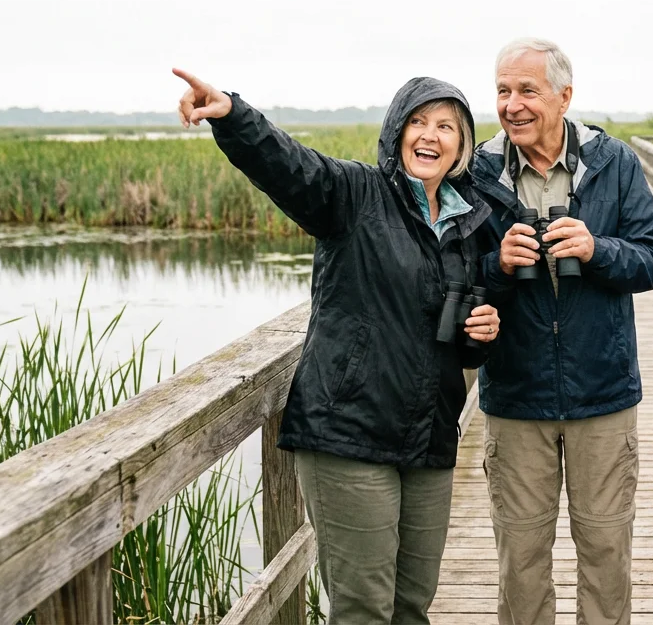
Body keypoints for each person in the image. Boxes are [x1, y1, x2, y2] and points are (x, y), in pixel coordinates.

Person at [173, 69, 501, 623]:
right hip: (349, 433)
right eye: (418, 121)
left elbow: (457, 346)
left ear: (462, 145)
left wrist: (480, 333)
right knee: (362, 609)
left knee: (412, 605)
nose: (431, 135)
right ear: (396, 132)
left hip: (430, 438)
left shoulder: (466, 222)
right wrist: (231, 113)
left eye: (447, 126)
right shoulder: (354, 194)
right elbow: (289, 167)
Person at [469, 38, 653, 625]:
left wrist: (597, 248)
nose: (512, 105)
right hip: (516, 394)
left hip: (601, 394)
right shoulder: (478, 172)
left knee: (606, 553)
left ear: (565, 96)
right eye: (503, 91)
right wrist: (497, 265)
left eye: (527, 90)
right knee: (521, 559)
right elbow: (458, 283)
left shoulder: (615, 162)